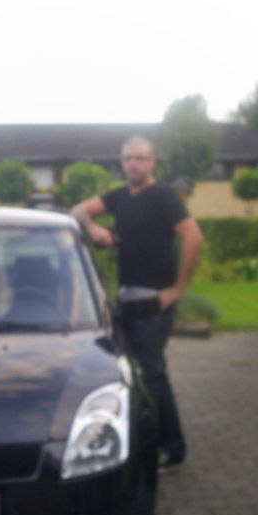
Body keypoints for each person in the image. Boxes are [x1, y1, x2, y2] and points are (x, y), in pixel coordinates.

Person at [71, 135, 204, 470]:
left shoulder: (163, 196)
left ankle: (164, 450)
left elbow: (193, 236)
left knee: (150, 374)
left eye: (140, 158)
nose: (133, 164)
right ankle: (162, 446)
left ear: (153, 162)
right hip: (128, 299)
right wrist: (95, 229)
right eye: (128, 158)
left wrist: (177, 289)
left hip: (155, 303)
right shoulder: (120, 197)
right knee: (143, 374)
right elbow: (78, 211)